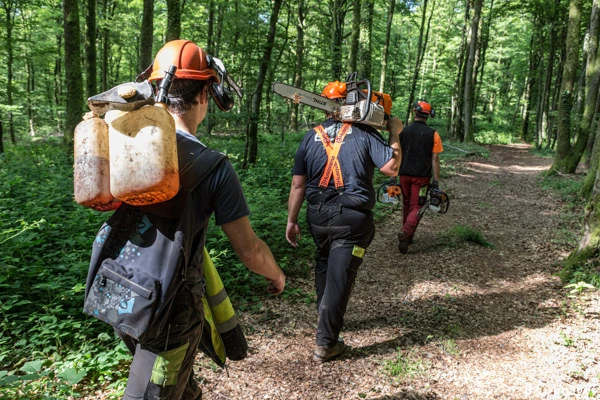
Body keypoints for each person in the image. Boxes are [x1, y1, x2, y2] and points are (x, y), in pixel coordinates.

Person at [113, 40, 286, 399]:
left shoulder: (128, 141)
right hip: (168, 310)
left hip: (119, 287)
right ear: (206, 93)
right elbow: (250, 251)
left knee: (179, 386)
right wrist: (277, 274)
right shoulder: (214, 166)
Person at [285, 81, 403, 363]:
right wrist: (395, 132)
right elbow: (391, 167)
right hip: (351, 220)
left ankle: (326, 320)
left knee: (325, 264)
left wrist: (291, 220)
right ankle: (326, 343)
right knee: (340, 276)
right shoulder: (366, 133)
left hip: (317, 216)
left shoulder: (310, 136)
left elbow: (298, 185)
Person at [396, 100, 443, 254]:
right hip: (421, 178)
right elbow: (435, 159)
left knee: (407, 204)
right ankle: (406, 231)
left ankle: (407, 236)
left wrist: (393, 175)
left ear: (415, 112)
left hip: (404, 175)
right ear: (428, 115)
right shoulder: (433, 134)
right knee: (417, 206)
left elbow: (396, 154)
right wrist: (436, 180)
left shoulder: (403, 131)